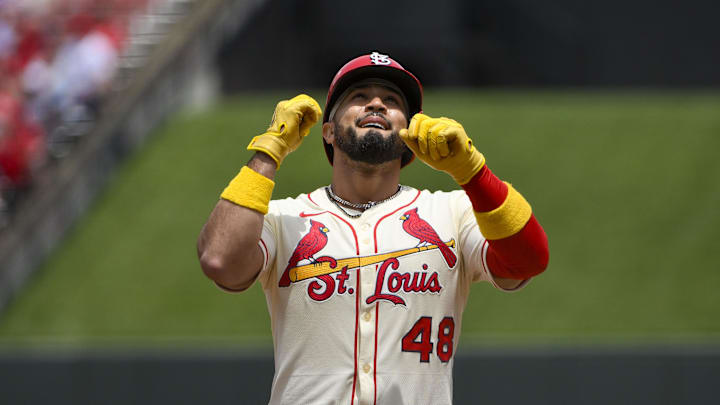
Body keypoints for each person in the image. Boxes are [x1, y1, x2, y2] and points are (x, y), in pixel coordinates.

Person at [197, 51, 549, 405]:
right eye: (359, 97)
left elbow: (527, 261)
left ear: (410, 135)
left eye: (392, 101)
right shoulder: (284, 218)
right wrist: (270, 149)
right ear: (329, 132)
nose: (377, 104)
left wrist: (473, 173)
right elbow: (219, 259)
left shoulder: (452, 211)